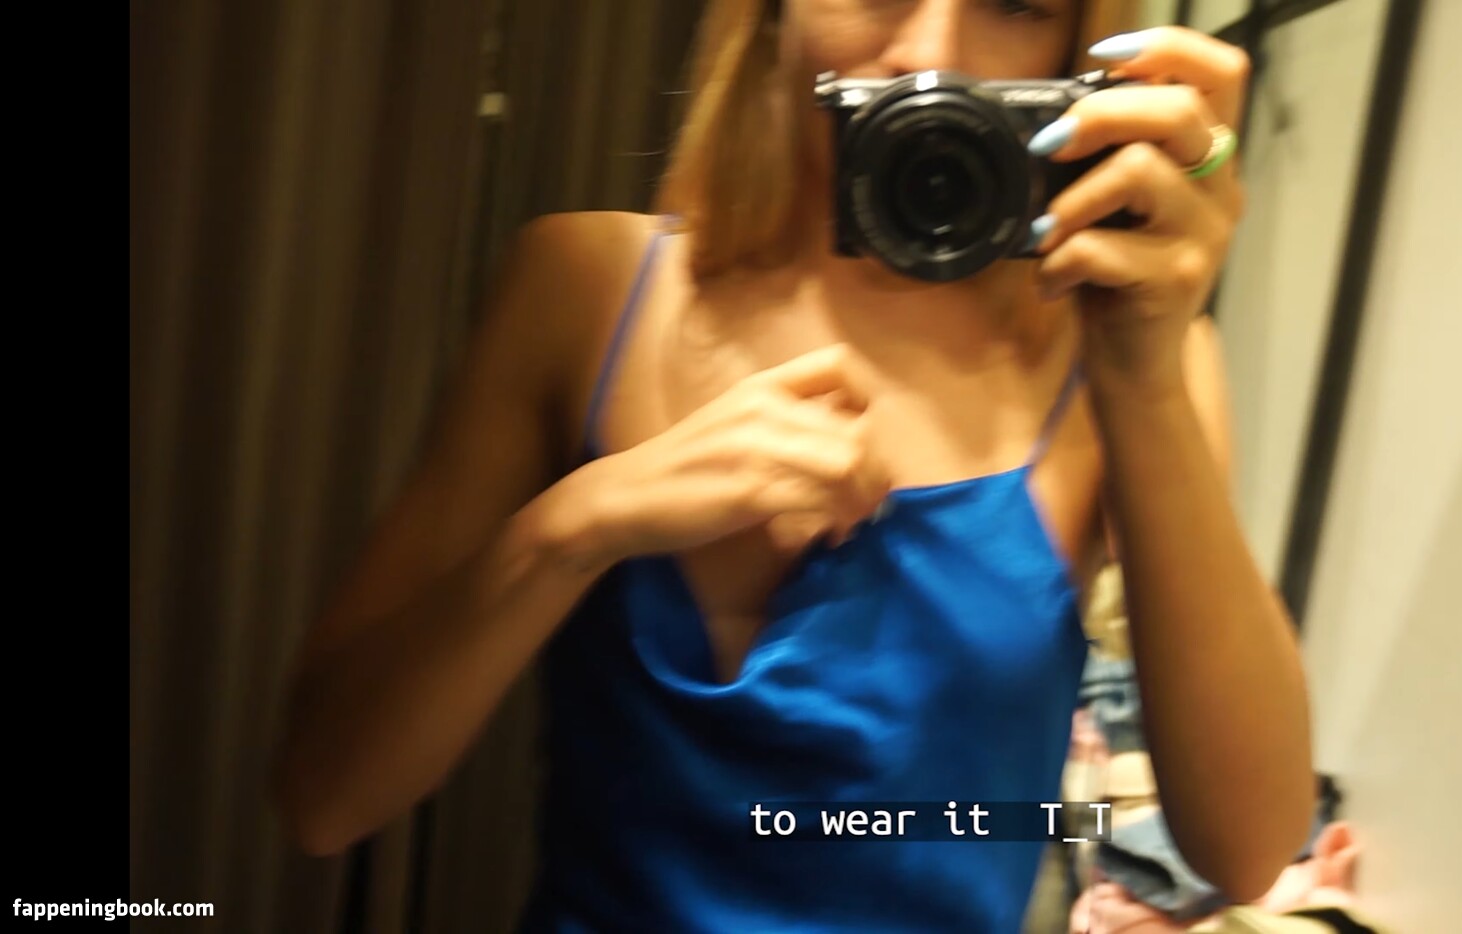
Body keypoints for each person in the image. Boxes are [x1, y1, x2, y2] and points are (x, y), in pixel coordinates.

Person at [272, 0, 1315, 930]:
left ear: (1073, 48)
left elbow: (1248, 849)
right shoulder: (586, 288)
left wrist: (1142, 379)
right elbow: (324, 794)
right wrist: (575, 527)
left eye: (1015, 4)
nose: (931, 55)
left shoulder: (1129, 361)